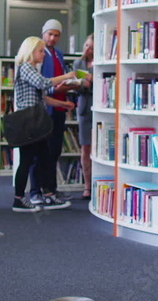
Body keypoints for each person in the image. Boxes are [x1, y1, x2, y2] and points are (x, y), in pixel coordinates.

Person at [11, 36, 77, 212]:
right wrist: (66, 76)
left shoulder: (32, 69)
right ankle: (19, 199)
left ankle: (48, 195)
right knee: (27, 160)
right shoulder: (26, 68)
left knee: (44, 158)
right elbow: (43, 83)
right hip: (29, 122)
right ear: (30, 52)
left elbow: (42, 97)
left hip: (36, 121)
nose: (43, 54)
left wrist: (63, 104)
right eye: (40, 51)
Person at [28, 19, 75, 205]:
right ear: (43, 33)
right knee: (39, 152)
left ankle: (50, 190)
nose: (53, 38)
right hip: (44, 109)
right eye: (50, 34)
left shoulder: (59, 54)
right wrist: (57, 87)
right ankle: (35, 191)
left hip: (59, 107)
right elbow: (40, 84)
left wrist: (69, 85)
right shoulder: (38, 54)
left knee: (54, 151)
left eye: (56, 35)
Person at [72, 34, 95, 199]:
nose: (87, 49)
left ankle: (99, 184)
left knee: (98, 147)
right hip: (84, 108)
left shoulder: (102, 63)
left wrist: (91, 80)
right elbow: (76, 87)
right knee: (85, 147)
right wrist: (81, 84)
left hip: (98, 107)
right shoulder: (78, 63)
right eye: (86, 45)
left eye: (91, 47)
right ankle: (87, 186)